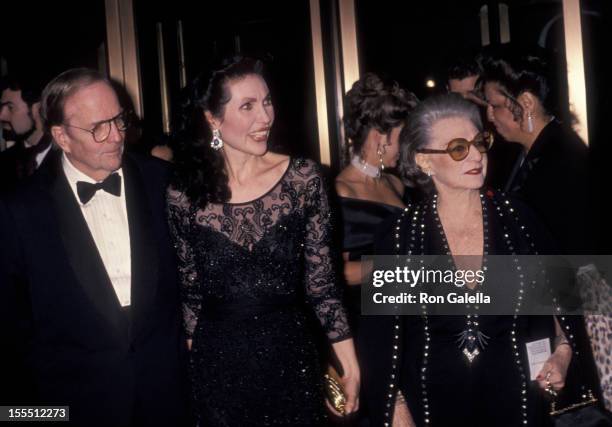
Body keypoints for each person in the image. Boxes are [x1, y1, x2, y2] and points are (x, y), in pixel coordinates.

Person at [360, 94, 595, 427]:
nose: (476, 156)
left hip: (518, 402)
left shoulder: (518, 217)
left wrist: (562, 352)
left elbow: (564, 298)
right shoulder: (400, 235)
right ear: (424, 161)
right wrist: (397, 410)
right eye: (458, 148)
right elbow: (379, 341)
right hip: (431, 406)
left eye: (479, 143)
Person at [167, 55, 360, 426]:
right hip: (217, 367)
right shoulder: (183, 194)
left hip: (290, 357)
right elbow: (190, 294)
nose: (265, 117)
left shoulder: (304, 179)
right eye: (248, 106)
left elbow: (322, 286)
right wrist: (193, 370)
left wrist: (348, 363)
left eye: (267, 101)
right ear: (212, 117)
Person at [0, 68, 187, 426]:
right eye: (98, 127)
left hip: (166, 403)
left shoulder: (164, 183)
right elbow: (11, 339)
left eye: (119, 120)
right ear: (62, 137)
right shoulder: (18, 210)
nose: (116, 135)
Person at [481, 52, 591, 253]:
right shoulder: (521, 151)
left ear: (527, 103)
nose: (489, 114)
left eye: (495, 105)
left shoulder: (564, 159)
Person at [335, 72, 418, 333]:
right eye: (403, 136)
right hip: (368, 322)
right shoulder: (339, 192)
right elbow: (338, 273)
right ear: (380, 137)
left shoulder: (396, 183)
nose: (407, 146)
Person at [0, 75, 57, 192]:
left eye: (10, 108)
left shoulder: (70, 158)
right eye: (1, 108)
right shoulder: (3, 163)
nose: (1, 116)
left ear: (37, 109)